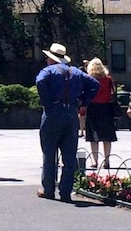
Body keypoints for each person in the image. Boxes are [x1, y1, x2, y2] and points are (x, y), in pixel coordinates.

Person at [35, 42, 99, 202]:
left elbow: (40, 82)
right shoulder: (76, 72)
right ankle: (65, 191)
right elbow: (95, 84)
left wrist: (46, 102)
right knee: (69, 155)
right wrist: (83, 100)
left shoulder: (48, 71)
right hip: (71, 113)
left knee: (49, 152)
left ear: (51, 59)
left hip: (53, 112)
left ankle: (48, 189)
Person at [84, 57, 118, 169]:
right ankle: (107, 160)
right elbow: (113, 92)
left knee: (93, 137)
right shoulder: (108, 79)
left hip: (93, 108)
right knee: (107, 136)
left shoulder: (89, 79)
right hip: (106, 108)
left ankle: (95, 161)